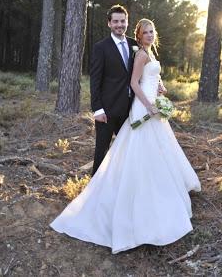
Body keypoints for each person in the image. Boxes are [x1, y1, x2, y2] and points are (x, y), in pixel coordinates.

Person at [50, 18, 201, 254]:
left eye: (152, 31)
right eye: (145, 32)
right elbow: (133, 81)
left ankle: (159, 191)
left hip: (150, 104)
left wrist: (161, 89)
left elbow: (148, 78)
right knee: (137, 150)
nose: (150, 35)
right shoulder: (140, 54)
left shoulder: (146, 52)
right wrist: (149, 105)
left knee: (157, 150)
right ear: (138, 36)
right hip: (142, 108)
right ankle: (124, 194)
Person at [88, 5, 139, 176]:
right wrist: (97, 109)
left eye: (123, 21)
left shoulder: (134, 44)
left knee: (127, 149)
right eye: (115, 21)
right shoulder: (101, 47)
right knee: (102, 150)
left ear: (127, 22)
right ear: (109, 23)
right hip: (107, 110)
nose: (120, 24)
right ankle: (94, 189)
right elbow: (95, 80)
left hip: (129, 109)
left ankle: (120, 183)